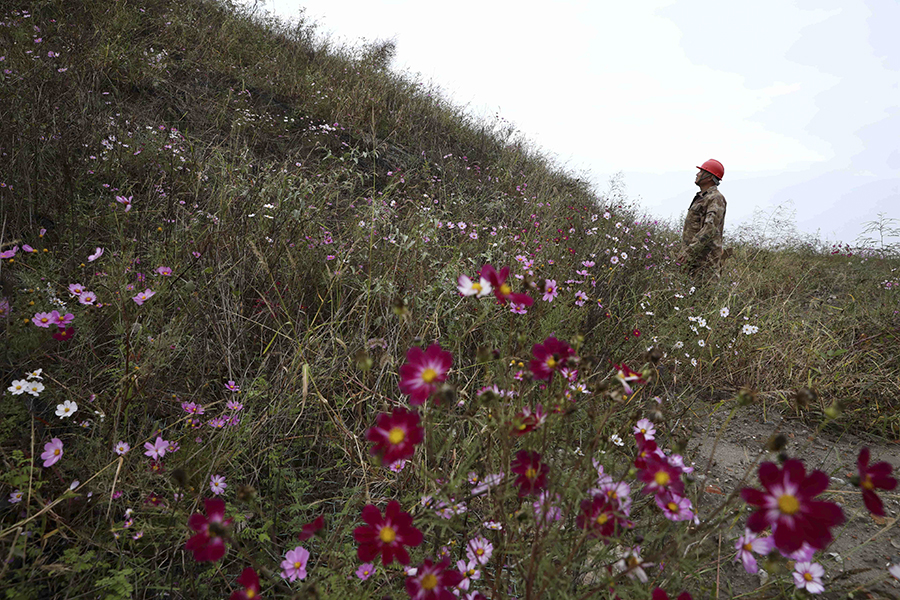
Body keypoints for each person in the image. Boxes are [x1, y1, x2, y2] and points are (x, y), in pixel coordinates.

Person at [681, 159, 727, 278]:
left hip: (706, 264)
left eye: (701, 171)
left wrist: (689, 252)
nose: (697, 174)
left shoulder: (715, 198)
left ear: (709, 177)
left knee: (705, 295)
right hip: (693, 261)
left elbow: (709, 229)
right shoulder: (702, 197)